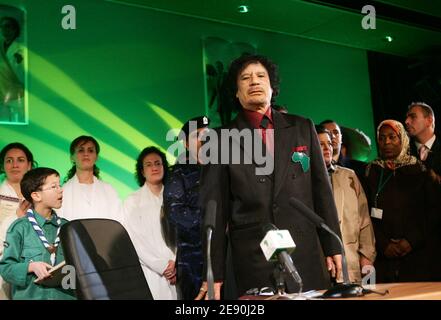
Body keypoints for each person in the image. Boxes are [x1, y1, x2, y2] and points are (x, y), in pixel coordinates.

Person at [197, 54, 342, 299]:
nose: (254, 81)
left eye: (260, 76)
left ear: (272, 87)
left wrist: (333, 245)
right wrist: (214, 273)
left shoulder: (302, 127)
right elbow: (215, 211)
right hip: (254, 256)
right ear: (236, 91)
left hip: (305, 250)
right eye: (245, 78)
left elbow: (322, 191)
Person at [363, 119, 440, 282]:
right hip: (384, 256)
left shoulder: (419, 169)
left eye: (392, 137)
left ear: (402, 139)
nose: (386, 142)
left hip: (417, 253)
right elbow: (365, 213)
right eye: (382, 138)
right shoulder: (372, 171)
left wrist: (411, 240)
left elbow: (431, 211)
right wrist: (384, 244)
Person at [0, 167, 76, 299]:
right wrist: (30, 267)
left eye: (60, 185)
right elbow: (6, 269)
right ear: (36, 195)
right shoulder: (20, 228)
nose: (61, 189)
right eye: (54, 186)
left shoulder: (67, 228)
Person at [315, 125, 376, 283]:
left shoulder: (348, 176)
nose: (327, 148)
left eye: (329, 143)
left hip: (351, 262)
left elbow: (364, 219)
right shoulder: (302, 181)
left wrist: (367, 255)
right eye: (320, 144)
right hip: (320, 266)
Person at [163, 116, 210, 300]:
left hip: (225, 254)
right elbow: (174, 212)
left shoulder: (221, 168)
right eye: (198, 135)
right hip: (194, 261)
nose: (205, 139)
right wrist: (213, 222)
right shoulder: (179, 172)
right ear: (186, 144)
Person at [123, 146, 177, 300]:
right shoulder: (132, 201)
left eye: (158, 163)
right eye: (148, 164)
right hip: (151, 272)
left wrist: (176, 262)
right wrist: (162, 266)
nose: (154, 167)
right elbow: (134, 240)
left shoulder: (176, 198)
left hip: (179, 270)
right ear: (142, 171)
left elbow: (184, 233)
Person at [56, 135, 123, 222]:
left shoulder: (109, 190)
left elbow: (119, 223)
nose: (86, 154)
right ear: (72, 157)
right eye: (81, 150)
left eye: (90, 150)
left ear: (97, 157)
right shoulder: (62, 192)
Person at [0, 142, 35, 299]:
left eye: (20, 160)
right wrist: (18, 216)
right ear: (2, 166)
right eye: (9, 160)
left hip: (34, 266)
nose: (14, 165)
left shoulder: (38, 194)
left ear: (29, 165)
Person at [405, 102, 441, 183]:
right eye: (407, 117)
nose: (406, 121)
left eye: (413, 117)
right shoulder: (403, 153)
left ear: (429, 120)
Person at [0, 17, 24, 123]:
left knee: (16, 120)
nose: (4, 29)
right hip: (2, 92)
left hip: (15, 93)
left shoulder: (20, 48)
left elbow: (19, 71)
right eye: (2, 26)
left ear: (15, 29)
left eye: (7, 26)